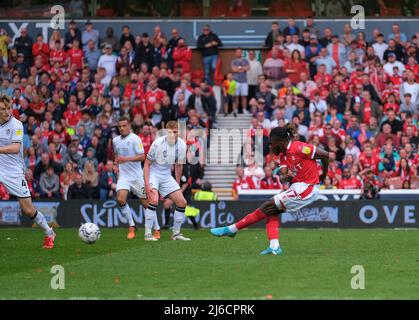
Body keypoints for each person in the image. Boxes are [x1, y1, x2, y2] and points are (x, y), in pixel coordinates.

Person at [211, 125, 330, 255]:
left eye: (271, 143)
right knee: (271, 211)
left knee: (269, 205)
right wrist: (286, 177)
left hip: (308, 187)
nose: (270, 146)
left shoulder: (299, 148)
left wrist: (323, 175)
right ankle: (274, 247)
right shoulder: (283, 156)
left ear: (280, 142)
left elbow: (325, 155)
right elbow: (284, 178)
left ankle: (232, 229)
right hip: (298, 186)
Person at [0, 96, 56, 248]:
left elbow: (15, 148)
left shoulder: (16, 124)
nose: (6, 111)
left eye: (8, 108)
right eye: (3, 109)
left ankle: (49, 232)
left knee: (28, 210)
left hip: (13, 171)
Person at [143, 121, 190, 241]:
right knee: (154, 200)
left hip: (166, 175)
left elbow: (179, 165)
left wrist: (177, 183)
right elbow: (147, 164)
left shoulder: (182, 145)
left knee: (182, 202)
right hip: (153, 173)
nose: (173, 135)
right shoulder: (157, 143)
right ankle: (148, 234)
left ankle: (176, 234)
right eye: (170, 132)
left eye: (175, 132)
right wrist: (147, 184)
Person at [112, 117, 151, 240]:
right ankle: (132, 226)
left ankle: (153, 228)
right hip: (124, 176)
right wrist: (116, 164)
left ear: (129, 126)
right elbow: (116, 154)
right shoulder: (115, 140)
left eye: (124, 126)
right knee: (120, 199)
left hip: (137, 176)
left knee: (146, 204)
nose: (122, 128)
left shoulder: (135, 139)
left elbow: (142, 156)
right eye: (120, 126)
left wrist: (126, 159)